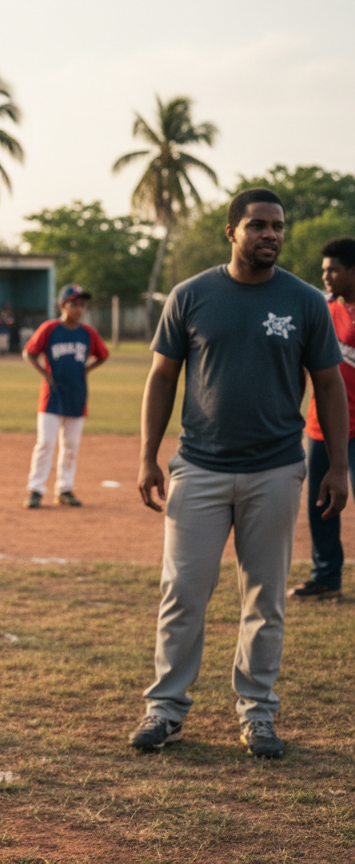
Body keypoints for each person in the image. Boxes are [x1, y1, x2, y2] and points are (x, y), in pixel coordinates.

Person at [133, 189, 348, 759]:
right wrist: (147, 455)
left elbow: (329, 384)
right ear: (232, 231)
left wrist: (339, 467)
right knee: (182, 593)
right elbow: (161, 379)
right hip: (198, 469)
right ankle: (166, 710)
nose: (270, 235)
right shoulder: (191, 295)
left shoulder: (304, 302)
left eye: (277, 226)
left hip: (276, 471)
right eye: (257, 225)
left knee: (266, 598)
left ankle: (257, 713)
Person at [290, 237, 355, 601]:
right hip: (322, 426)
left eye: (333, 269)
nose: (326, 276)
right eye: (324, 270)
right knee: (321, 504)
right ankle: (326, 577)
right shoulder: (322, 308)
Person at [22, 283, 109, 509]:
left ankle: (64, 489)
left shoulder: (88, 333)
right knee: (45, 443)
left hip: (77, 395)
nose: (79, 308)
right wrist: (44, 374)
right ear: (62, 305)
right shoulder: (50, 329)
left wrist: (86, 369)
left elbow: (103, 354)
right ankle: (36, 489)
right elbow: (29, 353)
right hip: (51, 396)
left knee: (71, 445)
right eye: (74, 303)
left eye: (82, 304)